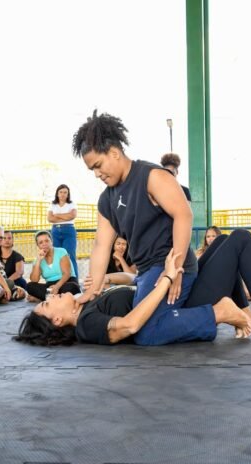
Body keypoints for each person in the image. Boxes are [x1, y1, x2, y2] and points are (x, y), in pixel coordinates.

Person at [14, 229, 251, 346]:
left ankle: (248, 314)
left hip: (174, 298)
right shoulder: (86, 325)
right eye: (47, 303)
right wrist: (167, 278)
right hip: (177, 304)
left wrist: (107, 279)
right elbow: (129, 325)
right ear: (57, 320)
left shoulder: (86, 304)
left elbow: (132, 284)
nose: (53, 296)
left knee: (222, 241)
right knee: (242, 240)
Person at [71, 110, 205, 346]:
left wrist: (176, 269)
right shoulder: (106, 200)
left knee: (145, 333)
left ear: (114, 153)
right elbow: (101, 245)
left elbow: (183, 215)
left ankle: (219, 312)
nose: (97, 174)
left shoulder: (152, 176)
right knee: (136, 322)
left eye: (98, 166)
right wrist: (92, 290)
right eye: (92, 169)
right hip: (144, 272)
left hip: (169, 264)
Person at [26, 230, 80, 302]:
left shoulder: (61, 251)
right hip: (50, 286)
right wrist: (38, 261)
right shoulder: (38, 259)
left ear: (51, 241)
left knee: (72, 287)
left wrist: (57, 286)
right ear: (38, 245)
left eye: (47, 241)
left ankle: (47, 298)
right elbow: (34, 280)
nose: (44, 244)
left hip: (66, 281)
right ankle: (57, 298)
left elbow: (67, 274)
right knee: (30, 286)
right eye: (41, 242)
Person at [47, 184, 79, 278]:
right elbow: (50, 218)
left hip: (68, 231)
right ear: (57, 193)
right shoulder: (53, 205)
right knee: (56, 256)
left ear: (68, 194)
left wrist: (57, 215)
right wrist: (65, 216)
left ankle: (74, 279)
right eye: (60, 192)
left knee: (70, 255)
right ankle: (59, 279)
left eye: (65, 192)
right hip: (55, 232)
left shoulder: (71, 204)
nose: (63, 194)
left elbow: (72, 216)